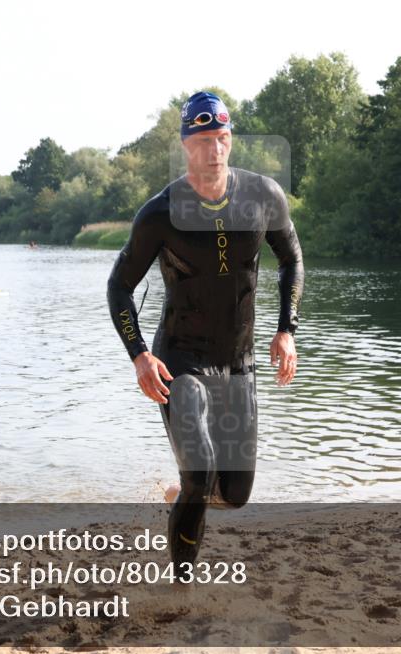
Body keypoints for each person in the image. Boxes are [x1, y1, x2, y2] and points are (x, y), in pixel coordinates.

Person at [107, 91, 304, 570]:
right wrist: (139, 355)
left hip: (238, 363)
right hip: (180, 362)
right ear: (185, 145)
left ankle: (182, 496)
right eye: (202, 141)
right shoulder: (160, 213)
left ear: (230, 139)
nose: (214, 150)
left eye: (221, 138)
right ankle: (182, 584)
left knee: (234, 495)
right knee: (201, 474)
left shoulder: (263, 195)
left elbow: (292, 259)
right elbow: (119, 286)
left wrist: (286, 329)